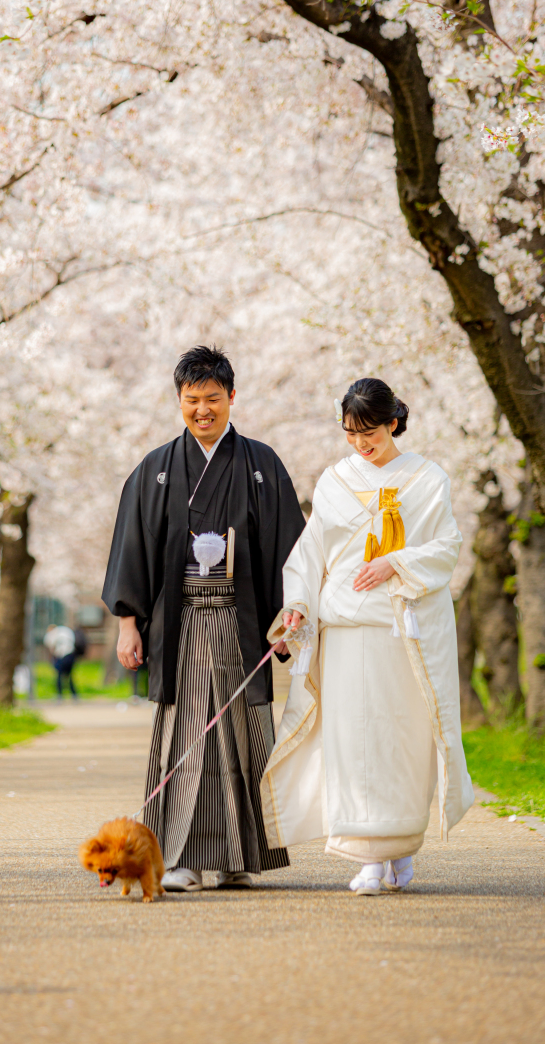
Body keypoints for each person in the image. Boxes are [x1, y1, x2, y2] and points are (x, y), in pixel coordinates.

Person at [102, 345, 306, 892]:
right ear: (179, 401)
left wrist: (288, 615)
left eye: (213, 399)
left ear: (232, 397)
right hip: (182, 623)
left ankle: (240, 857)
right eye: (192, 400)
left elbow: (290, 548)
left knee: (242, 733)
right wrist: (128, 623)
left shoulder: (261, 464)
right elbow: (133, 547)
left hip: (243, 624)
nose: (203, 411)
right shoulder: (157, 469)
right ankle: (179, 859)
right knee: (184, 735)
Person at [261, 378, 474, 895]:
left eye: (370, 432)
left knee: (398, 739)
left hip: (402, 632)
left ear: (393, 422)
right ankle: (368, 858)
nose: (361, 443)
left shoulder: (426, 478)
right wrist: (296, 606)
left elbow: (447, 545)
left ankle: (399, 849)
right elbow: (311, 554)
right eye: (352, 433)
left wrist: (396, 563)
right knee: (349, 741)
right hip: (345, 630)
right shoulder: (335, 479)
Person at [44, 623, 78, 699]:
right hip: (70, 655)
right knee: (69, 676)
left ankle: (60, 695)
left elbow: (51, 648)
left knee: (59, 675)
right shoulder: (65, 631)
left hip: (61, 656)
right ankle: (74, 694)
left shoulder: (52, 634)